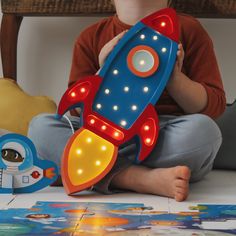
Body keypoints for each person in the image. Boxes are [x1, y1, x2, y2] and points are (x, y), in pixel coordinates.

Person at [28, 0, 226, 201]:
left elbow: (213, 107)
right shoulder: (91, 36)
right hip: (98, 133)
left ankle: (92, 171)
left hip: (161, 134)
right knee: (40, 127)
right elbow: (76, 111)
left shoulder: (190, 30)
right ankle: (134, 178)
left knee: (205, 132)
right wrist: (102, 74)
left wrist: (174, 79)